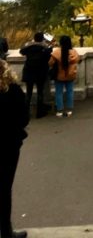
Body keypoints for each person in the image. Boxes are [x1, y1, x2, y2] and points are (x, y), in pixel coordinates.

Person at [0, 59, 29, 238]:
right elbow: (24, 118)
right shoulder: (13, 90)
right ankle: (6, 231)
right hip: (8, 145)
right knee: (4, 188)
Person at [19, 32, 52, 119]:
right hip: (40, 73)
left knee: (28, 93)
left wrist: (30, 43)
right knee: (40, 92)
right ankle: (39, 112)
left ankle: (25, 113)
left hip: (29, 72)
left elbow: (21, 51)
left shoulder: (29, 47)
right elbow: (49, 55)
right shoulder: (45, 48)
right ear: (42, 39)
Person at [49, 35, 79, 118]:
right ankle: (69, 110)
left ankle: (60, 110)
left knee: (59, 92)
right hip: (70, 75)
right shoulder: (74, 52)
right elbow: (77, 60)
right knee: (70, 91)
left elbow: (50, 63)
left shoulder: (56, 52)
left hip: (59, 75)